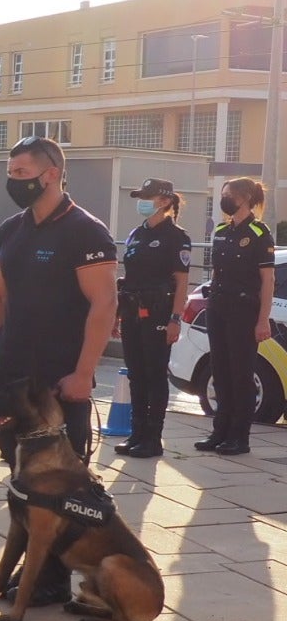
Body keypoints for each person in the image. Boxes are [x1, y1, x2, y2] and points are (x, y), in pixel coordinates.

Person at [0, 136, 116, 605]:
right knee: (23, 478)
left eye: (22, 172)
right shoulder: (11, 228)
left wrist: (84, 372)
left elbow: (103, 305)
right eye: (11, 172)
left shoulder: (85, 230)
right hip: (15, 377)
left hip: (60, 381)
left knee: (60, 482)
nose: (14, 180)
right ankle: (32, 566)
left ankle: (55, 578)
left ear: (51, 173)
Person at [196, 176, 273, 456]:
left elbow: (268, 281)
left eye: (228, 194)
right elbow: (216, 272)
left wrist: (262, 319)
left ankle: (240, 436)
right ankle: (220, 432)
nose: (224, 199)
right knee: (221, 371)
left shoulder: (259, 232)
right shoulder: (220, 230)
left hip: (244, 311)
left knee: (241, 375)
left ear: (244, 197)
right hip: (218, 307)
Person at [115, 178, 191, 458]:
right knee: (136, 374)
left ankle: (152, 438)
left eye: (148, 197)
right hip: (133, 310)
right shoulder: (137, 233)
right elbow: (128, 277)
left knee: (154, 374)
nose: (142, 202)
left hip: (159, 311)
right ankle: (136, 433)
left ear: (164, 201)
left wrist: (175, 318)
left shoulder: (176, 236)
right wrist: (117, 314)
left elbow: (182, 282)